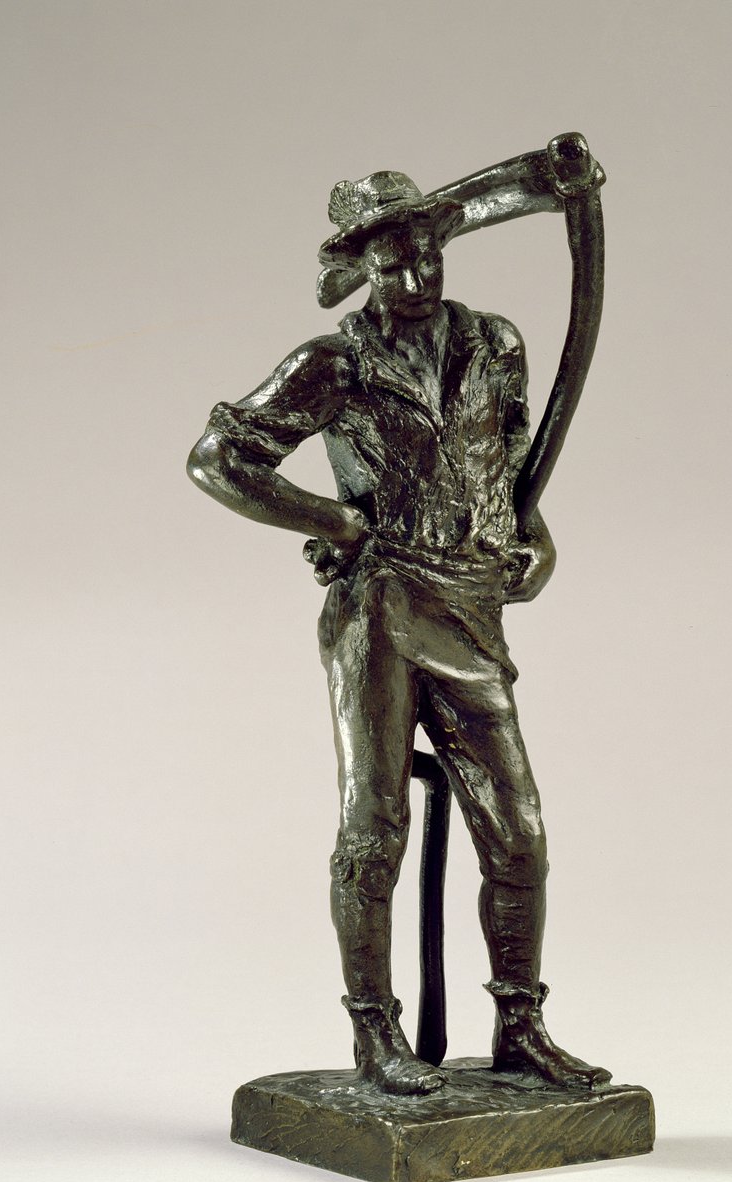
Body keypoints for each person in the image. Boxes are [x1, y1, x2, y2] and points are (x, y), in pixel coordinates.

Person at [188, 170, 610, 1095]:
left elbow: (504, 468)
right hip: (379, 610)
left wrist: (535, 543)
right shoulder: (331, 365)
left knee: (520, 834)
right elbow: (218, 458)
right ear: (362, 269)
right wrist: (331, 522)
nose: (416, 277)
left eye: (427, 255)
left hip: (470, 608)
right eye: (392, 264)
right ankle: (375, 1032)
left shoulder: (494, 344)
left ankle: (520, 1026)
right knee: (375, 827)